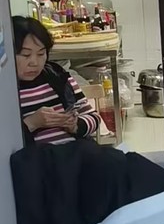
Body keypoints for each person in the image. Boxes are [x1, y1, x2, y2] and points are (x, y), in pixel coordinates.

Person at [13, 16, 101, 145]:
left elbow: (94, 118)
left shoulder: (56, 76)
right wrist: (32, 123)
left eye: (41, 54)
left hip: (77, 152)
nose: (34, 62)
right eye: (25, 55)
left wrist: (75, 125)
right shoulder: (6, 90)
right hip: (37, 157)